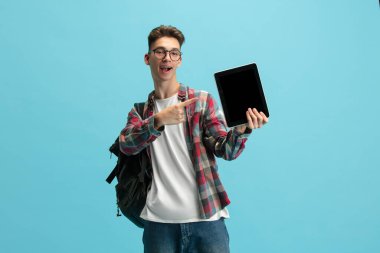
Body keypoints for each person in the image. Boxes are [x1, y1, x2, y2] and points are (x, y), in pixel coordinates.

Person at [119, 25, 268, 253]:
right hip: (159, 225)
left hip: (207, 222)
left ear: (179, 60)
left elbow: (225, 150)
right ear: (148, 58)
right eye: (160, 51)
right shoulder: (139, 112)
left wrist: (241, 130)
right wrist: (158, 120)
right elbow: (127, 145)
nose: (167, 58)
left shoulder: (201, 101)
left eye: (174, 52)